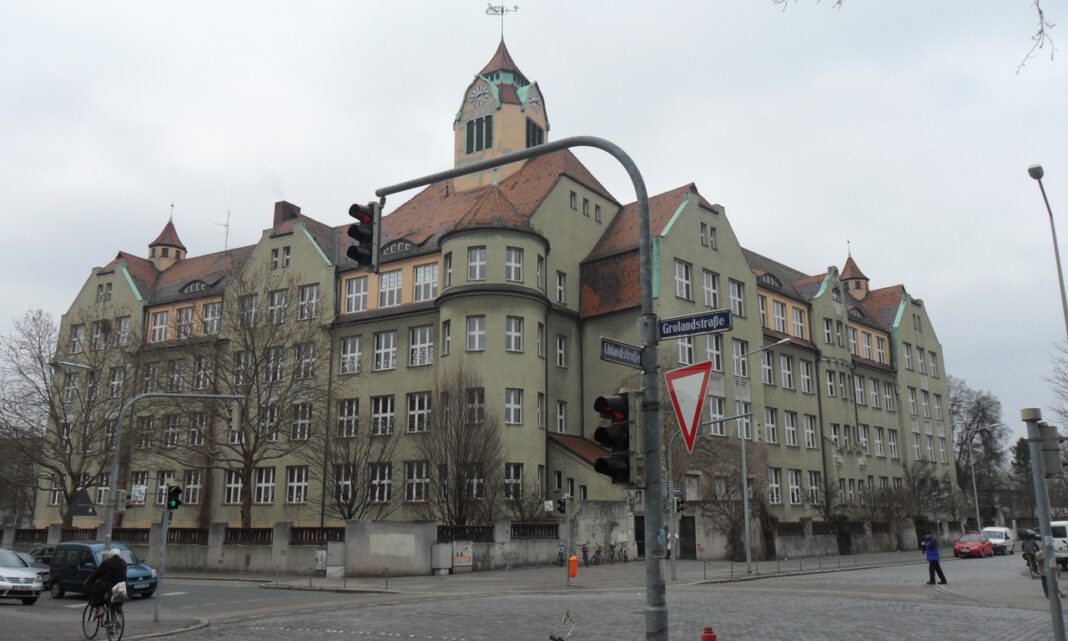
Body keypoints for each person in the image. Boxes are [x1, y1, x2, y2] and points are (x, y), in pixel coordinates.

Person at [86, 548, 127, 619]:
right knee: (117, 600)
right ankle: (118, 609)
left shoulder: (106, 562)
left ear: (110, 555)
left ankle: (100, 609)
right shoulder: (123, 563)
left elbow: (96, 574)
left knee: (96, 592)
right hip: (121, 588)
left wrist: (90, 581)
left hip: (108, 588)